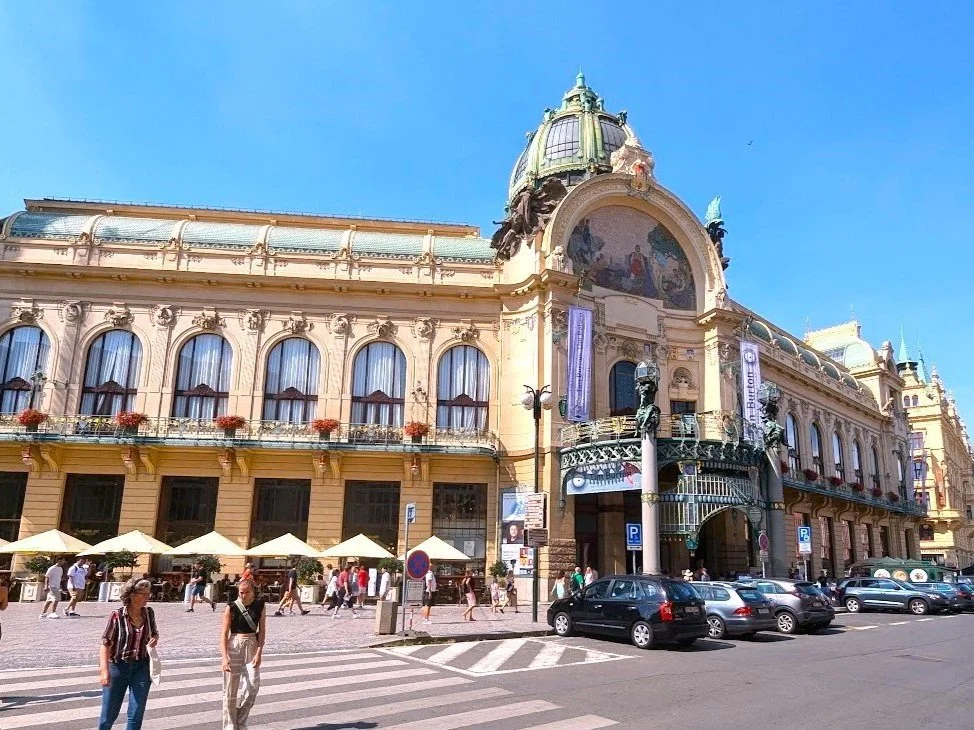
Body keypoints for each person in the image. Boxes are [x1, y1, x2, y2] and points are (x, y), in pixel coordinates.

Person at [98, 578, 158, 730]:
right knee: (108, 715)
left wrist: (155, 639)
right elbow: (105, 644)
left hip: (142, 666)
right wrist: (104, 671)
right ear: (132, 595)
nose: (148, 597)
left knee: (136, 713)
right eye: (144, 594)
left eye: (148, 593)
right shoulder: (117, 615)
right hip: (118, 667)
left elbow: (154, 633)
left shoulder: (149, 613)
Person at [221, 577, 265, 730]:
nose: (243, 595)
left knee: (253, 687)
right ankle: (230, 726)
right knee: (230, 690)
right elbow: (224, 633)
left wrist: (259, 652)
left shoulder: (260, 605)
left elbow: (262, 631)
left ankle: (240, 720)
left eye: (247, 592)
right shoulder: (231, 607)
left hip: (252, 645)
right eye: (241, 592)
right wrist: (224, 657)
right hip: (234, 644)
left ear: (253, 592)